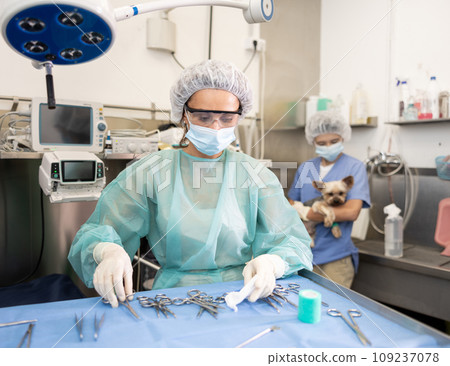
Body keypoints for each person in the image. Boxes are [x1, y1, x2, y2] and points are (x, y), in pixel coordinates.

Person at [68, 59, 313, 307]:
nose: (216, 127)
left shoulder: (255, 175)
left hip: (239, 297)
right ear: (183, 114)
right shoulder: (150, 172)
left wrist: (273, 263)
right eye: (204, 117)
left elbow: (292, 242)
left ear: (240, 115)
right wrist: (106, 251)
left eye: (227, 119)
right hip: (172, 298)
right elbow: (96, 232)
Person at [287, 111, 370, 288]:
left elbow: (351, 212)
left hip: (335, 257)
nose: (328, 147)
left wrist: (307, 212)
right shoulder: (306, 168)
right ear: (313, 142)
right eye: (322, 143)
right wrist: (298, 209)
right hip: (303, 253)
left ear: (342, 138)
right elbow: (291, 202)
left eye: (334, 142)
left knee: (331, 309)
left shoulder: (354, 167)